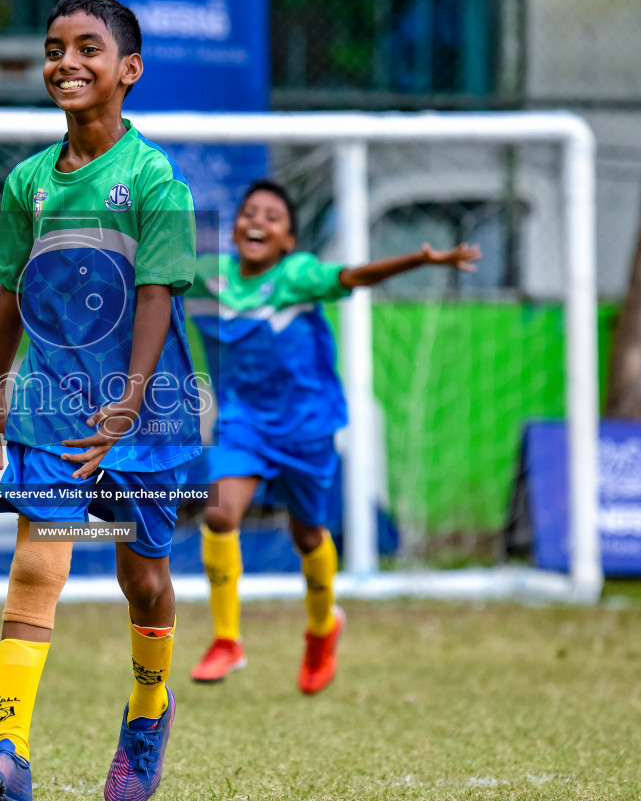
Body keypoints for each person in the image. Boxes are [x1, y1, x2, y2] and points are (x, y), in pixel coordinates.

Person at [0, 0, 199, 801]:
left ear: (128, 71)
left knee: (144, 580)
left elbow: (156, 295)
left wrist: (129, 399)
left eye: (89, 48)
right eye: (55, 47)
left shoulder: (152, 176)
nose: (67, 62)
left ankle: (149, 714)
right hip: (52, 404)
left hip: (142, 410)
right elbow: (13, 288)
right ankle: (8, 752)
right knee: (36, 563)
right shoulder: (27, 181)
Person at [187, 180, 480, 694]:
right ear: (234, 227)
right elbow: (146, 271)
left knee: (307, 536)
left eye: (273, 217)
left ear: (288, 241)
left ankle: (323, 627)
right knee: (219, 511)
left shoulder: (298, 275)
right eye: (248, 211)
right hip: (243, 422)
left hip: (307, 427)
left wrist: (420, 260)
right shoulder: (209, 276)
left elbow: (354, 275)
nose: (257, 220)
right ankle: (227, 640)